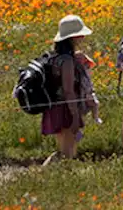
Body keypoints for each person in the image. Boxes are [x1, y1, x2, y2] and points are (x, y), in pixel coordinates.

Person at [41, 15, 98, 164]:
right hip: (66, 108)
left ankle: (52, 173)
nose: (83, 37)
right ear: (73, 37)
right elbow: (68, 90)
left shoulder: (54, 57)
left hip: (54, 106)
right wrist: (74, 116)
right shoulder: (66, 61)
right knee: (68, 153)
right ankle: (48, 175)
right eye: (80, 35)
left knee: (65, 148)